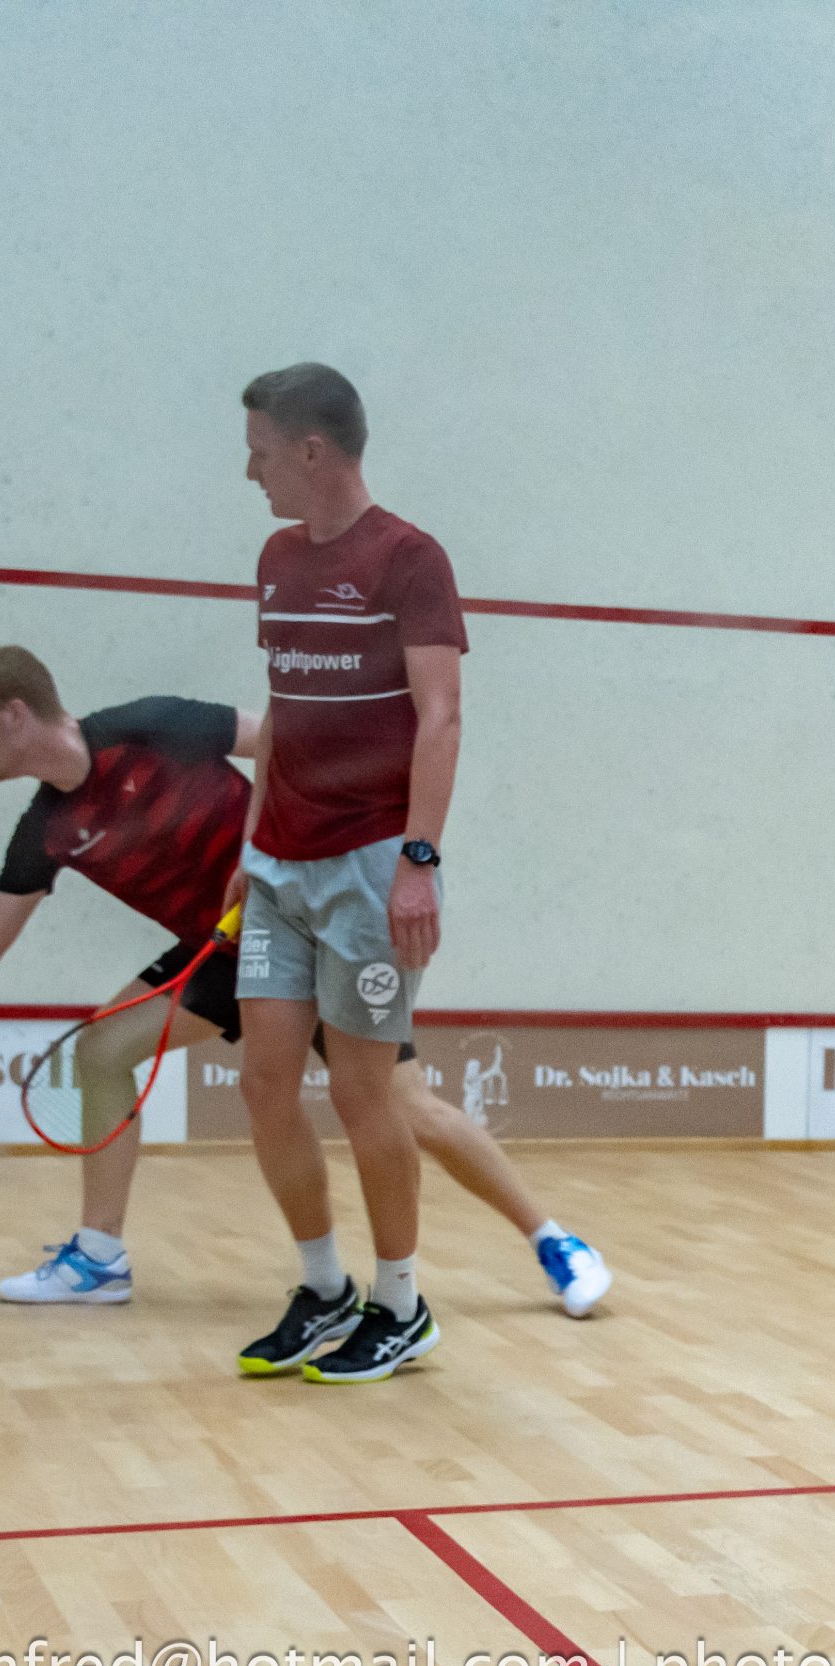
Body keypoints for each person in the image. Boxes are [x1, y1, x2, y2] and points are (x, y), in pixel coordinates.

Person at [0, 645, 612, 1324]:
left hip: (306, 931)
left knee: (407, 1108)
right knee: (101, 1050)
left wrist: (260, 850)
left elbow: (280, 740)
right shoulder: (46, 828)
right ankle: (99, 1257)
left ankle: (555, 1242)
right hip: (218, 954)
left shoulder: (148, 726)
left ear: (14, 713)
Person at [226, 361, 490, 1385]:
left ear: (311, 450)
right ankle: (324, 1286)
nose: (249, 471)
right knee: (262, 1081)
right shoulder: (275, 559)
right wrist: (251, 845)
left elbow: (442, 716)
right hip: (279, 868)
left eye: (259, 453)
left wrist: (418, 861)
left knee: (362, 1092)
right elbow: (283, 713)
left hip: (374, 867)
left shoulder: (409, 559)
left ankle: (401, 1303)